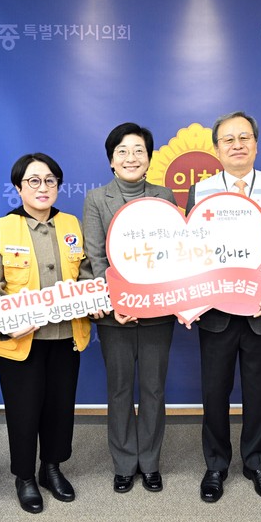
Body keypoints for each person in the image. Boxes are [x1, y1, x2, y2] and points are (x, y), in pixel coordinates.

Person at [185, 111, 261, 504]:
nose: (237, 145)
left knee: (259, 392)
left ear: (256, 145)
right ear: (217, 149)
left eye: (244, 137)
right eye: (228, 139)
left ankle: (258, 464)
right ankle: (216, 464)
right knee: (214, 393)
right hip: (216, 311)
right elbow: (191, 247)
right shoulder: (201, 190)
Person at [0, 153, 91, 514]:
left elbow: (86, 273)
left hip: (66, 337)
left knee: (60, 408)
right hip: (21, 342)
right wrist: (6, 320)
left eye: (50, 181)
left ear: (58, 186)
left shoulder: (71, 224)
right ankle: (24, 476)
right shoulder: (1, 228)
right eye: (34, 181)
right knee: (24, 412)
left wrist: (93, 295)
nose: (43, 188)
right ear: (18, 187)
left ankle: (51, 468)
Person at [82, 123, 177, 493]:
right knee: (120, 390)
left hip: (157, 312)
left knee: (153, 390)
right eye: (122, 151)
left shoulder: (164, 196)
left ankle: (149, 462)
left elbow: (172, 253)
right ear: (111, 160)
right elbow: (95, 256)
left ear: (149, 158)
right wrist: (116, 303)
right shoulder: (96, 199)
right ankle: (124, 463)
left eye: (138, 150)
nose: (131, 157)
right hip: (114, 315)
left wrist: (150, 300)